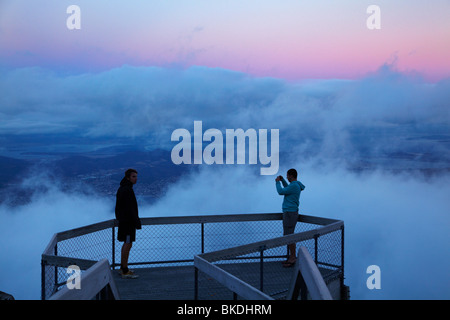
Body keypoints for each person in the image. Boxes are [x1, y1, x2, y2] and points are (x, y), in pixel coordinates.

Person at [275, 168, 305, 267]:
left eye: (287, 176)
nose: (287, 177)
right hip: (291, 213)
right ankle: (291, 257)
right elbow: (288, 188)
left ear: (291, 176)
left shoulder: (294, 186)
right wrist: (283, 180)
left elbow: (281, 191)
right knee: (288, 235)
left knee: (289, 236)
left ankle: (292, 258)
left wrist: (277, 182)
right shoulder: (295, 185)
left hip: (290, 213)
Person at [115, 168, 142, 279]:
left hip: (125, 222)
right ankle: (125, 271)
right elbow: (130, 208)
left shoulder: (123, 188)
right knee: (128, 244)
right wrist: (136, 221)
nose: (136, 179)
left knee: (127, 244)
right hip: (127, 223)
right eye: (133, 176)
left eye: (136, 176)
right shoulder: (127, 190)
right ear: (128, 177)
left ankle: (123, 268)